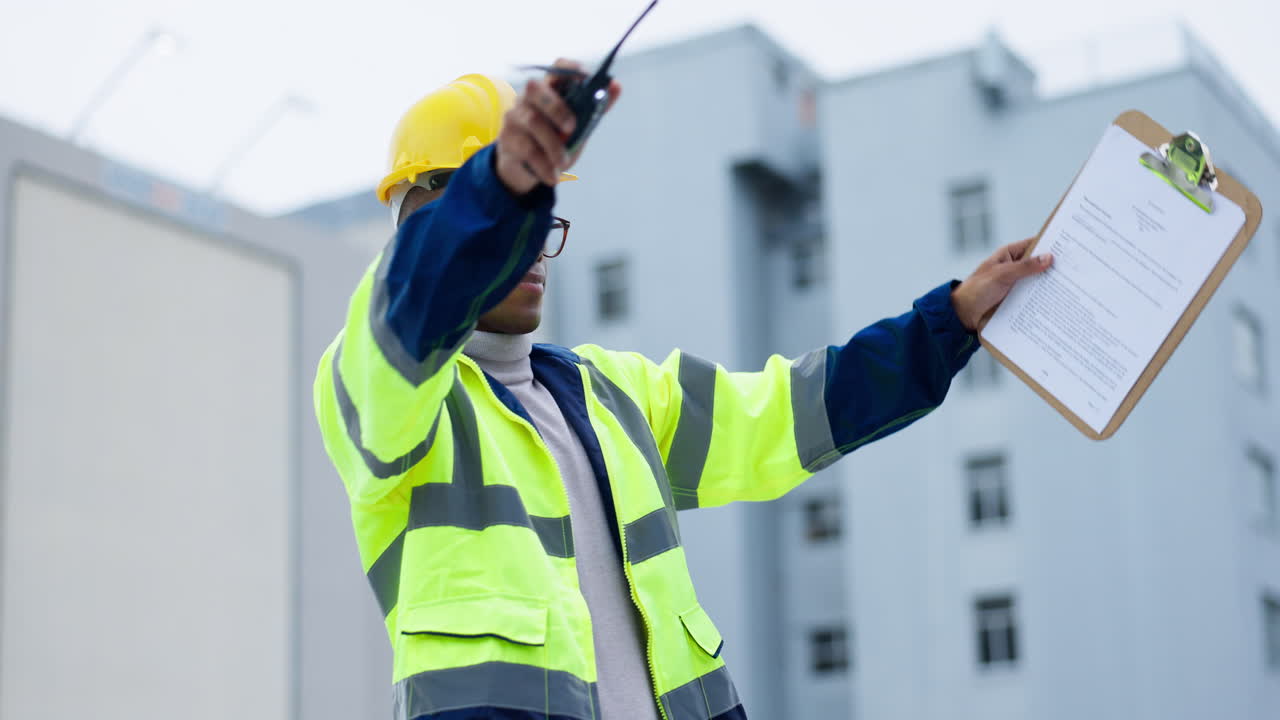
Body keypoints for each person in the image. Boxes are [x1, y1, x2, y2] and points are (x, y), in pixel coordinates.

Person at [313, 64, 1052, 720]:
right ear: (420, 223)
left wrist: (949, 321)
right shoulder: (383, 396)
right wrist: (499, 192)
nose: (536, 245)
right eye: (516, 220)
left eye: (545, 219)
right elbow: (409, 308)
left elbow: (787, 415)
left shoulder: (611, 394)